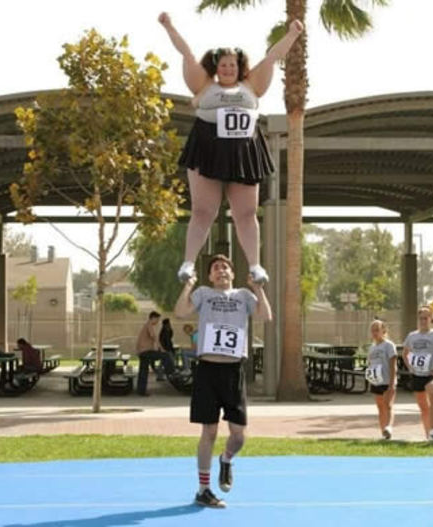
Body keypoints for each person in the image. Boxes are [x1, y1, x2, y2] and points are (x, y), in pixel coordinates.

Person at [158, 12, 304, 285]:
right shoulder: (204, 85)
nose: (227, 69)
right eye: (223, 65)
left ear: (240, 67)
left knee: (246, 213)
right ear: (216, 67)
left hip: (243, 151)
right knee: (203, 211)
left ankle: (255, 266)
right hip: (208, 147)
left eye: (232, 65)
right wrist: (169, 26)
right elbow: (186, 53)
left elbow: (273, 56)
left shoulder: (252, 85)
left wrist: (293, 34)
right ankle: (188, 263)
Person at [175, 253, 271, 508]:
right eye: (216, 268)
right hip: (208, 370)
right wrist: (188, 285)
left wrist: (258, 289)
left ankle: (226, 460)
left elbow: (266, 316)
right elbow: (181, 312)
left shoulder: (243, 296)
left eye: (225, 267)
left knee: (238, 436)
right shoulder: (204, 293)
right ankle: (203, 489)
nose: (221, 271)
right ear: (210, 276)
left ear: (232, 273)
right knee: (209, 431)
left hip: (233, 371)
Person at [402, 306, 433, 442]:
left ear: (432, 319)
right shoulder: (412, 336)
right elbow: (405, 353)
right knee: (424, 407)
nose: (423, 321)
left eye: (426, 318)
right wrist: (410, 367)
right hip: (417, 375)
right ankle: (428, 435)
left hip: (431, 374)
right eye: (421, 318)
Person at [365, 319, 397, 440]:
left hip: (387, 381)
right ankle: (383, 432)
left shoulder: (389, 345)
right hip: (376, 381)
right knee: (380, 406)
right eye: (372, 330)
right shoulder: (371, 348)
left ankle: (389, 427)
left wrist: (392, 383)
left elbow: (393, 364)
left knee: (388, 405)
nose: (374, 333)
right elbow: (370, 364)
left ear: (383, 330)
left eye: (377, 330)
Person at [135, 311, 178, 396]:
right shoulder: (149, 325)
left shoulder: (146, 325)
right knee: (165, 355)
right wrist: (161, 349)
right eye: (157, 319)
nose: (158, 322)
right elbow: (154, 337)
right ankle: (171, 372)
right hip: (146, 351)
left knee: (143, 371)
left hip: (142, 351)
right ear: (153, 318)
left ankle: (141, 391)